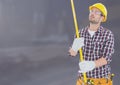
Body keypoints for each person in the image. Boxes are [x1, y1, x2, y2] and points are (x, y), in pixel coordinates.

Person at [69, 3, 114, 85]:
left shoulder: (107, 34)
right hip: (83, 80)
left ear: (102, 17)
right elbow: (72, 54)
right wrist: (74, 48)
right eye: (91, 11)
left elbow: (106, 58)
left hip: (101, 80)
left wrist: (92, 64)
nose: (92, 13)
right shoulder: (80, 33)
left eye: (96, 12)